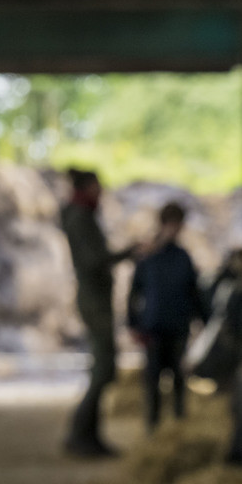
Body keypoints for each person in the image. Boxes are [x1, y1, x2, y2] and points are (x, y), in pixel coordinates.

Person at [60, 168, 134, 458]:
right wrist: (127, 253)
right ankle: (81, 433)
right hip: (95, 299)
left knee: (102, 368)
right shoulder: (81, 216)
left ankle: (88, 434)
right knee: (103, 368)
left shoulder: (82, 214)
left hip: (95, 298)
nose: (101, 190)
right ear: (88, 187)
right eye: (97, 185)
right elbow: (93, 260)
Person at [127, 202, 208, 431]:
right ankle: (153, 427)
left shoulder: (183, 257)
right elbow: (134, 293)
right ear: (163, 224)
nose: (175, 229)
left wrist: (204, 320)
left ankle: (178, 426)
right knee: (153, 379)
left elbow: (194, 292)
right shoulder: (148, 257)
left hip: (178, 326)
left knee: (179, 377)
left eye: (178, 225)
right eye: (172, 224)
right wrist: (133, 323)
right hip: (153, 326)